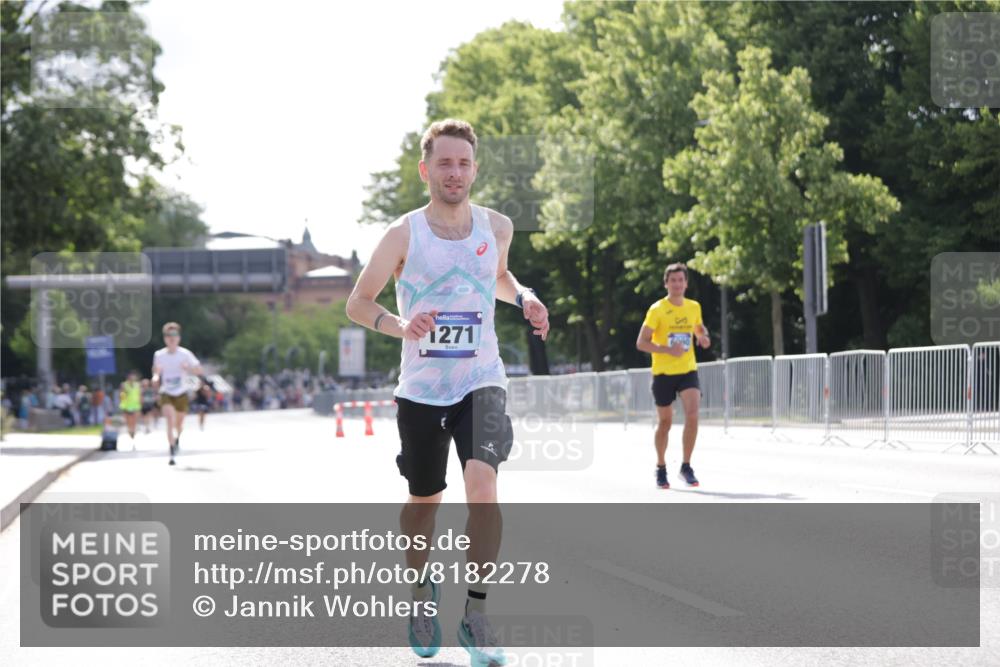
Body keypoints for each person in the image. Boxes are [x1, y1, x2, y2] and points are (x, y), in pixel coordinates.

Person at [346, 118, 550, 666]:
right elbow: (358, 302)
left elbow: (499, 276)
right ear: (426, 170)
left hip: (482, 378)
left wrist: (525, 296)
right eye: (444, 163)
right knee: (424, 502)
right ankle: (420, 591)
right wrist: (399, 324)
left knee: (483, 487)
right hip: (422, 389)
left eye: (463, 163)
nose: (454, 173)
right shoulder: (403, 234)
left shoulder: (497, 226)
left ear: (474, 169)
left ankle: (476, 614)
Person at [636, 262, 710, 489]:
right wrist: (668, 349)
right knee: (665, 422)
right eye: (673, 280)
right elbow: (641, 343)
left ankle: (686, 466)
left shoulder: (694, 307)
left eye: (680, 280)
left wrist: (703, 337)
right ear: (666, 284)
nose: (677, 284)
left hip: (687, 370)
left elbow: (699, 328)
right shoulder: (657, 309)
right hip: (663, 373)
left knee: (693, 414)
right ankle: (661, 467)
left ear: (686, 283)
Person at [151, 322, 203, 466]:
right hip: (166, 392)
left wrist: (188, 368)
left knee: (179, 424)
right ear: (165, 338)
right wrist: (155, 377)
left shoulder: (185, 354)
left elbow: (199, 370)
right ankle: (171, 451)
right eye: (168, 335)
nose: (171, 338)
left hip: (181, 392)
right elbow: (156, 372)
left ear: (179, 337)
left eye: (174, 334)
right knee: (170, 419)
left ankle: (177, 438)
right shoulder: (159, 355)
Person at [118, 371, 142, 449]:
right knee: (128, 422)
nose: (132, 378)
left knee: (134, 421)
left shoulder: (137, 385)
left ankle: (133, 434)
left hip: (135, 405)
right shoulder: (124, 385)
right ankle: (130, 433)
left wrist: (141, 403)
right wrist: (123, 396)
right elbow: (121, 395)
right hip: (127, 406)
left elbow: (140, 394)